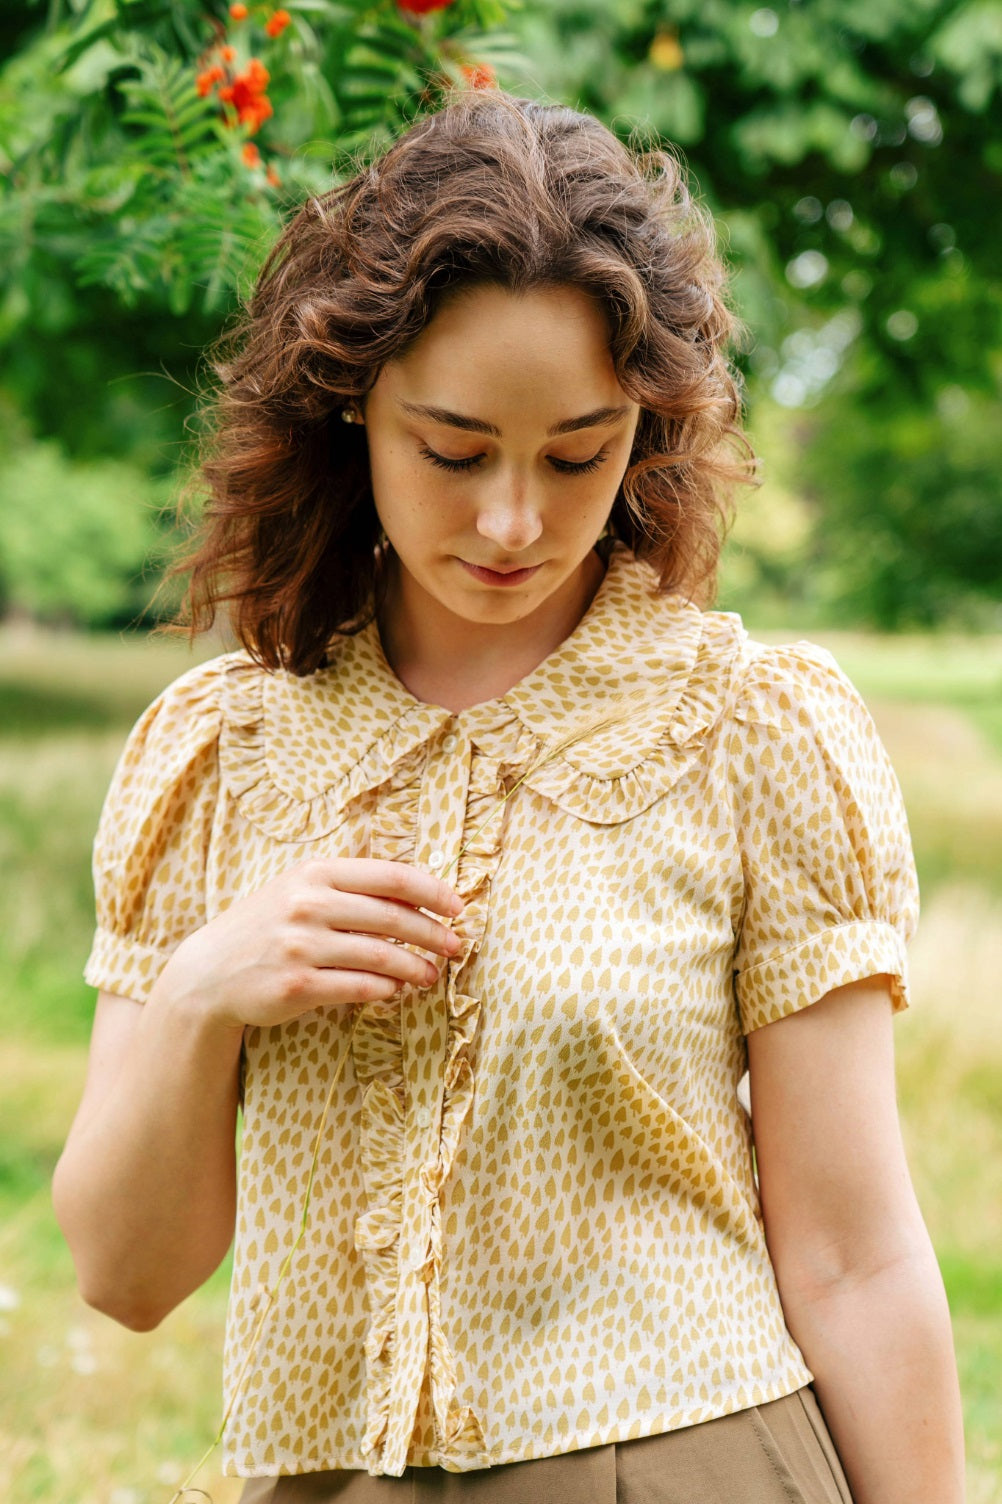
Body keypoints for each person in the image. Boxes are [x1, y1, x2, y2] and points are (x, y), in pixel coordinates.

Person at [53, 89, 965, 1504]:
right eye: (455, 448)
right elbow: (124, 1275)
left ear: (642, 431)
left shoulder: (748, 729)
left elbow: (854, 1257)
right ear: (352, 403)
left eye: (577, 453)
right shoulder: (215, 753)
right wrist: (202, 990)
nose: (512, 522)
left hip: (683, 1468)